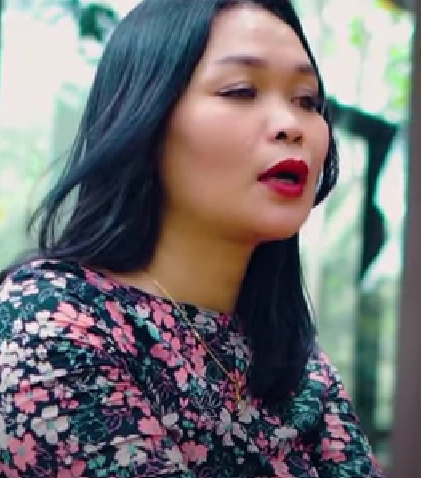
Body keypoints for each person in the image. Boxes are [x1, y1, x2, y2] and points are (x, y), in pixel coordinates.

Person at [0, 0, 385, 476]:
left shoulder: (294, 363)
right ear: (144, 116)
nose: (291, 125)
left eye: (306, 101)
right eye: (241, 90)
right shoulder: (53, 324)